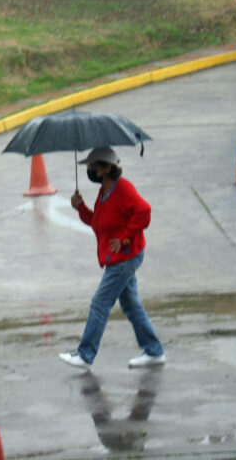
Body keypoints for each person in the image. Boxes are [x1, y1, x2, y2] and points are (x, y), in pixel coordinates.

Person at [59, 146, 165, 370]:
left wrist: (125, 239)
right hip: (119, 258)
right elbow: (97, 222)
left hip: (124, 258)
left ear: (107, 168)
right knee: (131, 306)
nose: (89, 171)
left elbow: (144, 211)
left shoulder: (123, 188)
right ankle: (154, 351)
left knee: (100, 303)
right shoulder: (104, 192)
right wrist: (80, 208)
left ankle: (85, 355)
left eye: (93, 167)